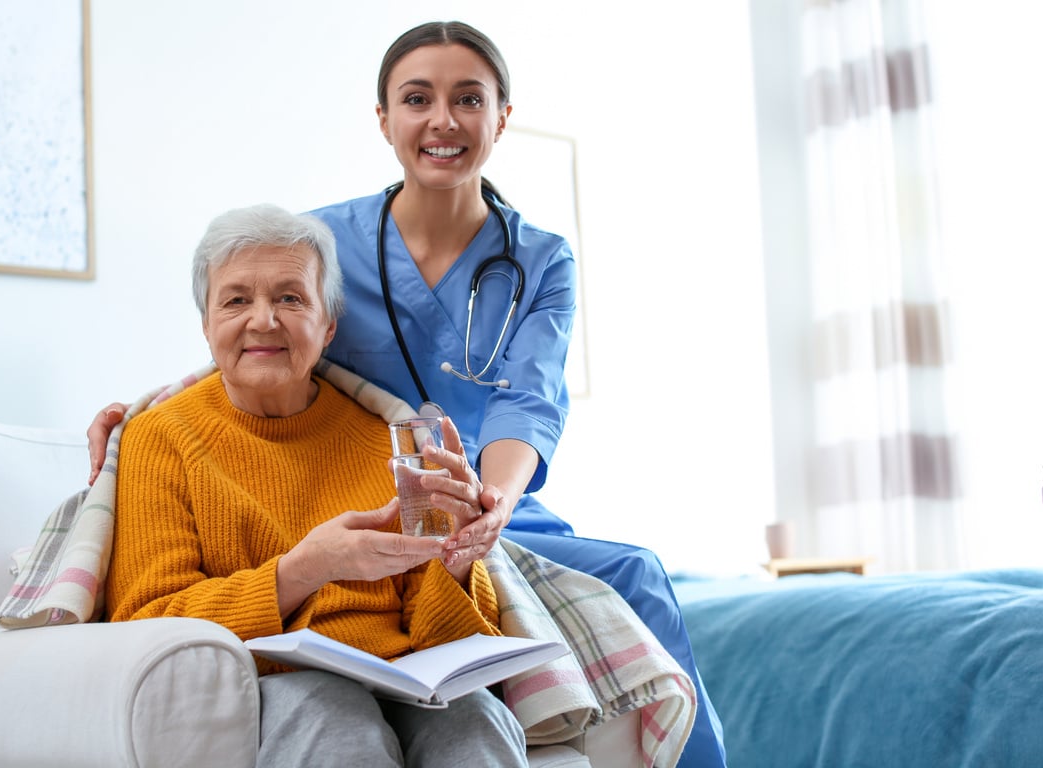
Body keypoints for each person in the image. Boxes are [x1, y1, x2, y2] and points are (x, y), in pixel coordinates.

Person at [90, 21, 725, 767]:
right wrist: (147, 408)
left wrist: (490, 505)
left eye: (468, 99)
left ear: (501, 117)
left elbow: (529, 399)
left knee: (637, 572)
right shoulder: (323, 237)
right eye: (417, 98)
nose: (442, 121)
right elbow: (265, 332)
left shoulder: (541, 260)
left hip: (487, 491)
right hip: (377, 485)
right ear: (384, 118)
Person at [105, 203, 528, 767]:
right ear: (206, 324)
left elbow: (443, 641)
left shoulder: (387, 437)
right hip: (273, 683)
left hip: (405, 677)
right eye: (236, 300)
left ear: (328, 327)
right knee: (333, 715)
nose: (263, 320)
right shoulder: (160, 438)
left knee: (479, 719)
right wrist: (304, 569)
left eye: (290, 298)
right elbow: (143, 623)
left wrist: (453, 558)